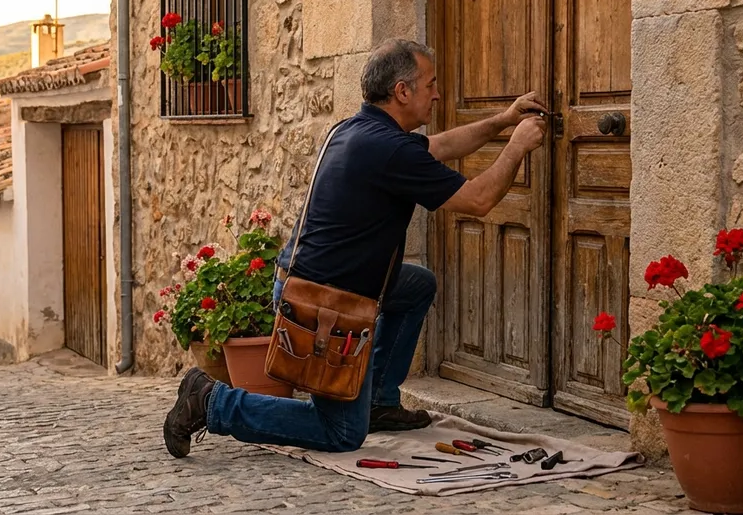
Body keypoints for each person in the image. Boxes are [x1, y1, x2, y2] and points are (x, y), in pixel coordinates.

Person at [163, 38, 548, 457]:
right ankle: (211, 400)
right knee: (341, 433)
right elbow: (477, 200)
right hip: (324, 304)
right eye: (430, 84)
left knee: (416, 285)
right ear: (402, 91)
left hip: (317, 283)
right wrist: (518, 145)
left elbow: (440, 146)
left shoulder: (357, 130)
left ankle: (379, 401)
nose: (437, 93)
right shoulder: (389, 149)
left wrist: (503, 121)